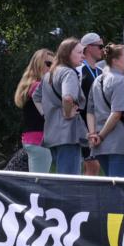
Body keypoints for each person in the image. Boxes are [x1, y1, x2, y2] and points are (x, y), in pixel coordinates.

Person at [35, 37, 88, 175]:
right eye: (79, 52)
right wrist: (67, 112)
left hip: (53, 133)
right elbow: (67, 97)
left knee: (61, 177)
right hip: (67, 134)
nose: (83, 55)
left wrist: (47, 114)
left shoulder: (50, 73)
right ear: (67, 53)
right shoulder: (68, 73)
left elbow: (36, 96)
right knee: (69, 181)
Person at [87, 44, 124, 177]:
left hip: (100, 145)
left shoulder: (97, 80)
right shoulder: (121, 81)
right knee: (118, 187)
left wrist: (93, 134)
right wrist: (100, 136)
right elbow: (116, 113)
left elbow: (90, 111)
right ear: (115, 61)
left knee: (110, 184)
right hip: (117, 142)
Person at [13, 48, 54, 173]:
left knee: (34, 181)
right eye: (48, 64)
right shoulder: (37, 86)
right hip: (39, 141)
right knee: (38, 183)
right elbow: (47, 113)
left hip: (31, 140)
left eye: (54, 64)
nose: (52, 68)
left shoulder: (30, 85)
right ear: (38, 65)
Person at [78, 32, 106, 176]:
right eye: (100, 46)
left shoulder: (101, 71)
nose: (103, 49)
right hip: (83, 127)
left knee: (94, 166)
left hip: (99, 125)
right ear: (89, 48)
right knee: (92, 165)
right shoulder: (79, 71)